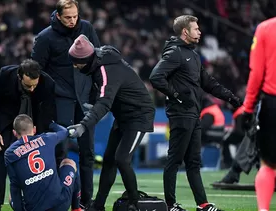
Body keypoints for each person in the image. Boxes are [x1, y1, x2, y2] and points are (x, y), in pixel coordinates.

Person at [149, 15, 242, 211]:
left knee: (193, 162)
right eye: (196, 29)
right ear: (185, 32)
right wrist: (176, 96)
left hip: (193, 114)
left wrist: (231, 98)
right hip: (181, 114)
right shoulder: (175, 53)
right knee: (174, 160)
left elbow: (209, 83)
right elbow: (155, 76)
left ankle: (202, 204)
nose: (199, 32)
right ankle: (170, 204)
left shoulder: (193, 55)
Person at [67, 34, 156, 211]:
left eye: (77, 62)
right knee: (109, 160)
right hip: (123, 116)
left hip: (139, 115)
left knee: (122, 159)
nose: (75, 66)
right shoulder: (98, 64)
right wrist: (93, 104)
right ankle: (98, 206)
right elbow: (100, 93)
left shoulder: (106, 70)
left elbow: (105, 102)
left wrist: (84, 124)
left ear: (86, 59)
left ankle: (134, 203)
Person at [31, 0, 100, 208]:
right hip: (59, 101)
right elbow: (35, 70)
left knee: (87, 153)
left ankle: (85, 202)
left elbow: (98, 59)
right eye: (68, 17)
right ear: (58, 16)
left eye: (75, 16)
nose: (73, 21)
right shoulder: (45, 37)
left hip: (85, 99)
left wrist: (96, 95)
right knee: (59, 151)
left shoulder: (87, 28)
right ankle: (57, 200)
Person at [0, 59, 56, 211]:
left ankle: (41, 204)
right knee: (0, 158)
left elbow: (47, 112)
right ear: (19, 76)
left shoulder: (47, 83)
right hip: (7, 124)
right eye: (27, 85)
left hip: (34, 126)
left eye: (34, 85)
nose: (31, 89)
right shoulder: (5, 75)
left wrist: (40, 135)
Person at [5, 114, 81, 211]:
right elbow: (64, 131)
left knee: (12, 195)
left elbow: (14, 186)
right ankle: (76, 208)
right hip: (60, 205)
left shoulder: (9, 153)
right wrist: (51, 124)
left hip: (34, 209)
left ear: (14, 133)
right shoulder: (47, 138)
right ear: (34, 129)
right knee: (69, 162)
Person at [241, 16, 276, 211]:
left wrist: (248, 108)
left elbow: (256, 72)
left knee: (268, 164)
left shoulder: (265, 28)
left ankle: (263, 209)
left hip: (273, 103)